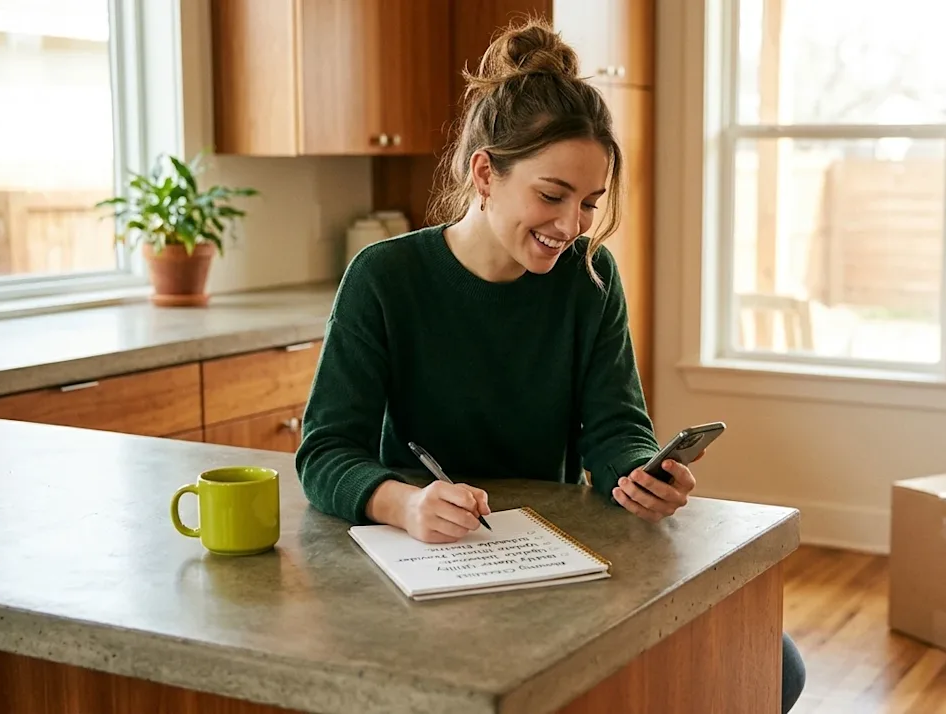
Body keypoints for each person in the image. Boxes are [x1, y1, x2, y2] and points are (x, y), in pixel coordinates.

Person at [294, 16, 806, 713]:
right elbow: (325, 452)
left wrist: (637, 473)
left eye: (590, 202)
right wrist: (405, 502)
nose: (571, 226)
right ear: (485, 173)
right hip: (424, 560)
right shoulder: (385, 278)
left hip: (552, 556)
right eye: (551, 195)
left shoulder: (589, 278)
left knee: (776, 668)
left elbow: (615, 424)